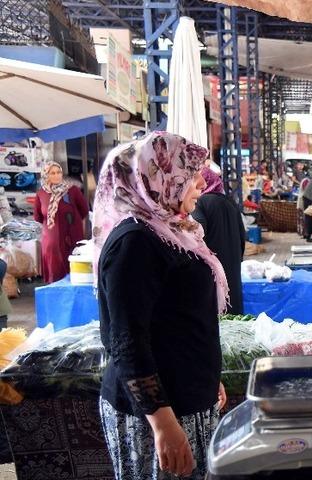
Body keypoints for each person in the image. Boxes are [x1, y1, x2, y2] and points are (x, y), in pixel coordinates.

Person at [93, 132, 228, 479]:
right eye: (189, 173)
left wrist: (207, 375)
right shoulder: (134, 243)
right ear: (156, 176)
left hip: (186, 397)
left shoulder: (172, 230)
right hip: (158, 414)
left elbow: (180, 319)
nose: (199, 182)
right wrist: (164, 425)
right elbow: (127, 344)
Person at [192, 166, 246, 315]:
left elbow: (197, 235)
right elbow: (243, 236)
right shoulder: (230, 202)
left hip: (213, 267)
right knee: (233, 308)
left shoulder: (200, 203)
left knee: (217, 310)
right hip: (233, 264)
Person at [33, 161, 88, 283]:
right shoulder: (41, 194)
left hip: (71, 238)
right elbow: (38, 217)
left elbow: (84, 210)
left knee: (73, 273)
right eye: (52, 173)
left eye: (58, 172)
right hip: (51, 242)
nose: (57, 175)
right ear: (46, 175)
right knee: (55, 273)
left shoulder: (72, 191)